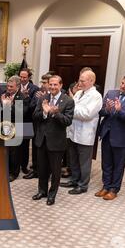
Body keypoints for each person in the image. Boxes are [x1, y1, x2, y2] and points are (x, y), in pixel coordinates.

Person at [96, 74, 125, 200]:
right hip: (107, 134)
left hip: (122, 138)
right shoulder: (111, 93)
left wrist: (119, 110)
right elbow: (101, 111)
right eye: (122, 83)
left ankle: (113, 189)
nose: (122, 86)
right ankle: (106, 186)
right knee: (106, 164)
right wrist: (107, 109)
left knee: (118, 166)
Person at [32, 75, 74, 205]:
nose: (52, 87)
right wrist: (44, 113)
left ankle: (52, 194)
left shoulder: (68, 101)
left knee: (55, 171)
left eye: (55, 85)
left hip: (56, 142)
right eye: (51, 84)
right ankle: (42, 191)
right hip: (41, 140)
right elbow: (35, 116)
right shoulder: (43, 98)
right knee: (42, 168)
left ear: (61, 85)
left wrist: (55, 113)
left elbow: (68, 121)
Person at [62, 69, 102, 194]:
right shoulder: (79, 93)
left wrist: (71, 109)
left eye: (83, 80)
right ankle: (74, 180)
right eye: (80, 80)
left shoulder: (96, 96)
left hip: (85, 134)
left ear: (92, 81)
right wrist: (73, 108)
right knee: (73, 159)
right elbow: (74, 108)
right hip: (73, 131)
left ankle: (83, 185)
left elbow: (87, 114)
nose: (80, 83)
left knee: (84, 162)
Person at [0, 75, 30, 182]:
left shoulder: (23, 97)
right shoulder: (4, 95)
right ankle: (6, 170)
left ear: (17, 86)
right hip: (5, 126)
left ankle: (14, 173)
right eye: (8, 86)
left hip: (17, 127)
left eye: (11, 86)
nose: (8, 88)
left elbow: (21, 114)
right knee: (6, 149)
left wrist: (9, 105)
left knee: (15, 151)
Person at [24, 72, 54, 180]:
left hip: (50, 129)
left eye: (45, 82)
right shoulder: (39, 93)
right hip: (37, 126)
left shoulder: (58, 95)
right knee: (36, 149)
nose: (43, 84)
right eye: (42, 82)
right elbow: (32, 107)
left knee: (49, 152)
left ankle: (48, 172)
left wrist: (44, 102)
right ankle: (35, 170)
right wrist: (38, 100)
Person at [18, 68, 39, 176]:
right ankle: (15, 165)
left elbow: (33, 105)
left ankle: (24, 166)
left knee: (25, 145)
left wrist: (26, 98)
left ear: (29, 77)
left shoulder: (35, 89)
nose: (22, 79)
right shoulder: (16, 86)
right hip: (16, 120)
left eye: (24, 77)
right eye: (20, 77)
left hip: (27, 120)